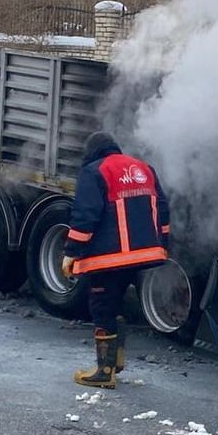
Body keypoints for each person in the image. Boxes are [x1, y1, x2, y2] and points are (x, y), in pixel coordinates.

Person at [62, 131, 170, 389]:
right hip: (143, 254)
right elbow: (163, 209)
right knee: (116, 303)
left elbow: (85, 215)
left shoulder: (94, 171)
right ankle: (117, 359)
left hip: (109, 257)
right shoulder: (144, 169)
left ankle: (104, 371)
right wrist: (162, 245)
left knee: (101, 306)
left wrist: (71, 252)